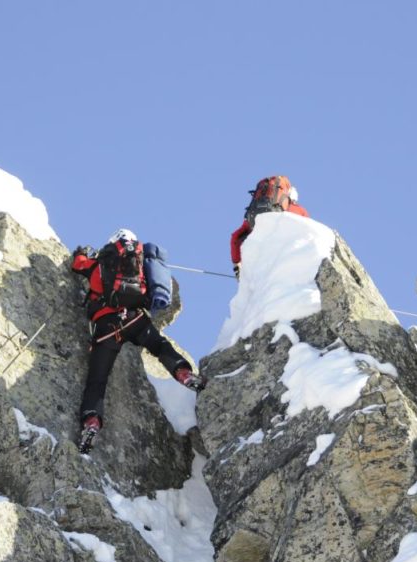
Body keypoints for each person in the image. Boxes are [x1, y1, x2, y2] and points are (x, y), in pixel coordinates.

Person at [71, 228, 206, 453]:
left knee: (97, 380)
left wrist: (82, 253)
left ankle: (92, 421)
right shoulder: (143, 263)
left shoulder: (101, 262)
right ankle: (182, 372)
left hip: (107, 327)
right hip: (136, 319)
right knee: (160, 345)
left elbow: (78, 265)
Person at [230, 176, 310, 278]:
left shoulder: (254, 215)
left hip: (259, 250)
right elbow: (308, 232)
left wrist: (236, 264)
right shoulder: (298, 210)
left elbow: (235, 237)